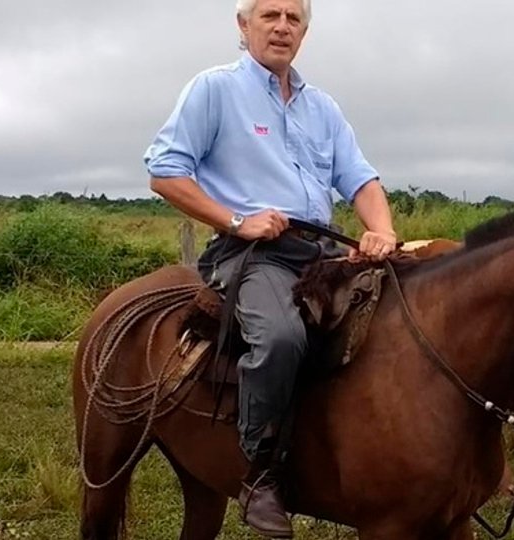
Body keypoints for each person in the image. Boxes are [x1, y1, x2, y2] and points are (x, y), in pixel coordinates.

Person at [143, 0, 397, 536]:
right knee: (281, 337)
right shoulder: (214, 90)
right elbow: (165, 172)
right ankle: (260, 473)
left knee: (404, 315)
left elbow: (362, 181)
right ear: (243, 25)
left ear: (304, 32)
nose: (282, 26)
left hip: (322, 253)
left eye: (293, 18)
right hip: (250, 254)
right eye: (269, 15)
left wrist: (382, 231)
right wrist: (239, 219)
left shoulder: (322, 107)